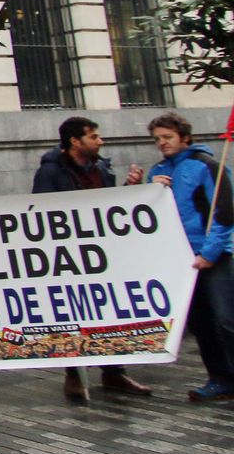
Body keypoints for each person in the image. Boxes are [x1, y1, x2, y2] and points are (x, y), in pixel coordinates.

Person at [31, 116, 151, 400]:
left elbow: (109, 208)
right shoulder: (50, 172)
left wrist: (129, 189)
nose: (100, 141)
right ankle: (73, 373)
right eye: (94, 137)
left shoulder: (102, 168)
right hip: (70, 255)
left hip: (101, 254)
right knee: (72, 311)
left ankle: (114, 370)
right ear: (75, 141)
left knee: (110, 309)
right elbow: (40, 212)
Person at [145, 112, 234, 402]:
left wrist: (210, 252)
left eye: (167, 137)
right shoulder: (158, 171)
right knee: (201, 322)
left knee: (226, 318)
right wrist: (150, 188)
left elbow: (224, 211)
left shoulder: (206, 166)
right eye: (158, 138)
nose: (162, 143)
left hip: (214, 256)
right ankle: (219, 378)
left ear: (184, 137)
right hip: (182, 259)